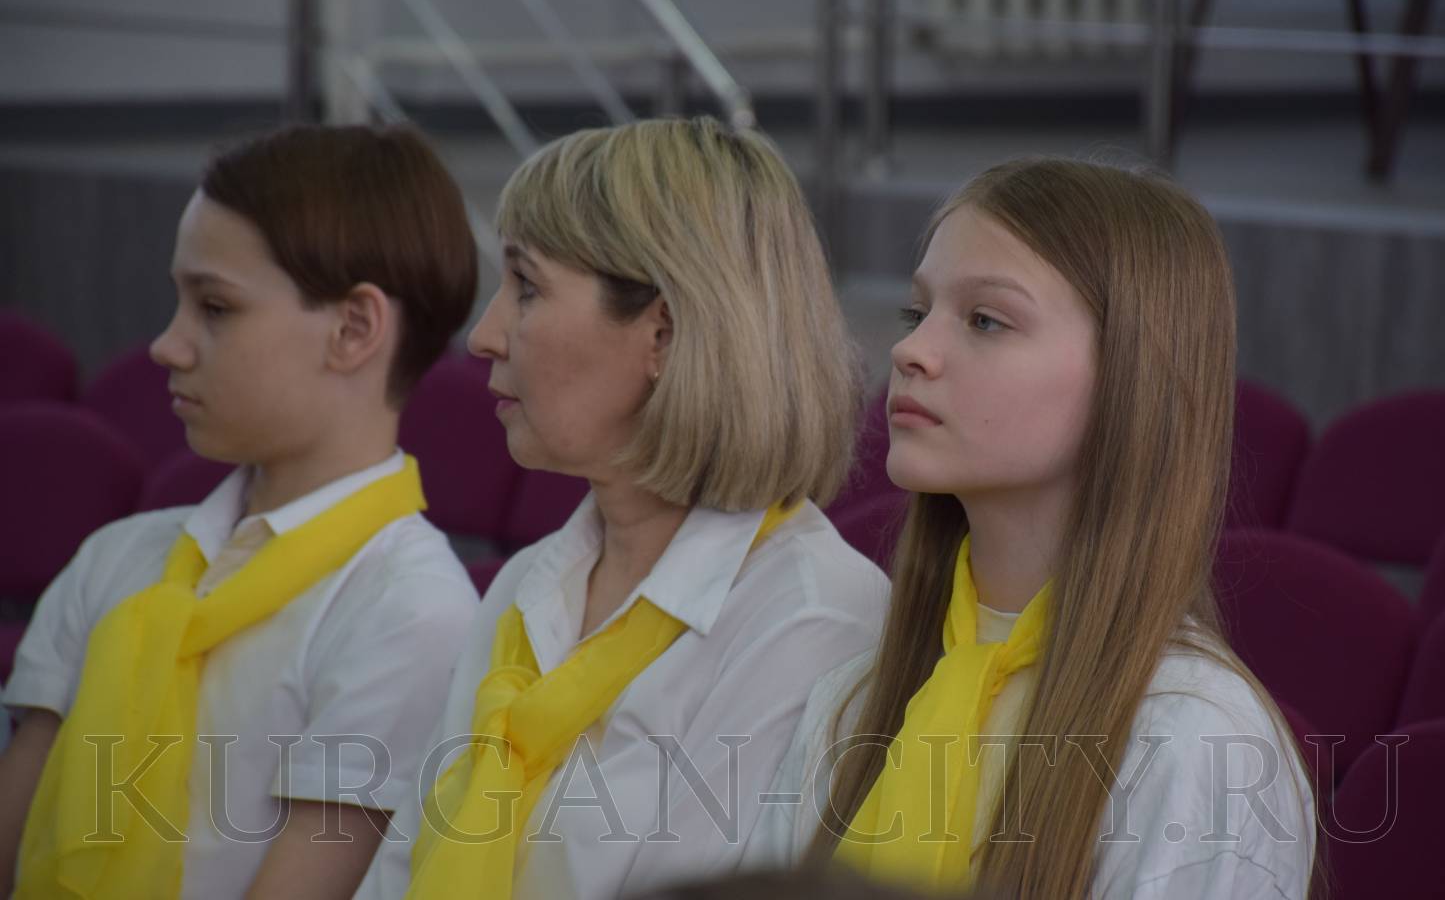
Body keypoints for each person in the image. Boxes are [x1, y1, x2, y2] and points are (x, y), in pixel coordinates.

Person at [751, 157, 1318, 898]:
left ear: (1131, 376)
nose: (909, 350)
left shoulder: (1194, 741)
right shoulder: (852, 699)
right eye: (918, 313)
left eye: (986, 320)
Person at [356, 117, 890, 900]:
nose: (485, 335)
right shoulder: (531, 585)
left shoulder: (813, 620)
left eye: (526, 287)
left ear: (663, 334)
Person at [0, 124, 481, 899]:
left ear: (353, 329)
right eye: (180, 302)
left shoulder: (409, 610)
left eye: (215, 307)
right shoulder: (119, 557)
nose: (168, 345)